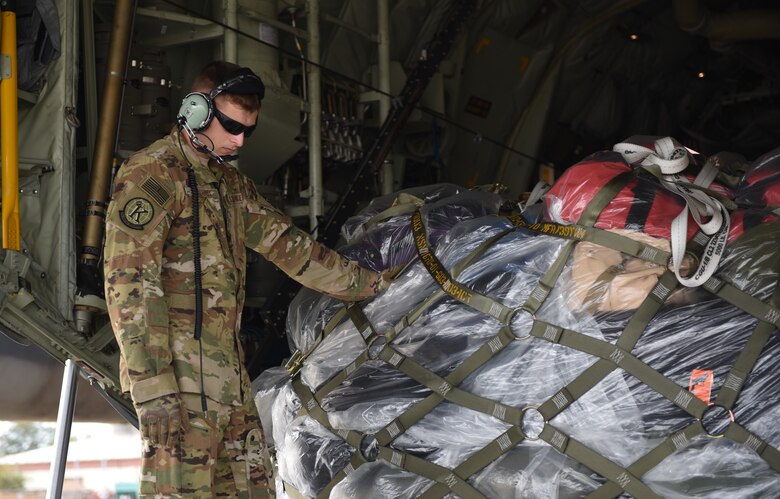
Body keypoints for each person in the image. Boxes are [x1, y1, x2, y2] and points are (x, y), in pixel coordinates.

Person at [103, 60, 392, 497]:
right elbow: (129, 284)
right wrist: (152, 385)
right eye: (231, 127)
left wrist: (375, 285)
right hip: (178, 383)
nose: (239, 141)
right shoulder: (153, 174)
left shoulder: (231, 186)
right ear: (196, 111)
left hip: (229, 383)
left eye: (247, 131)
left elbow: (293, 249)